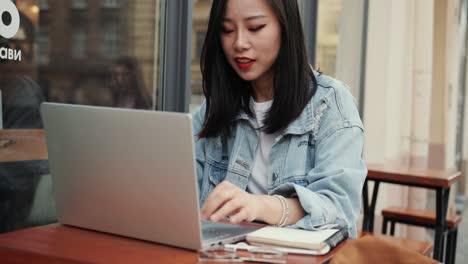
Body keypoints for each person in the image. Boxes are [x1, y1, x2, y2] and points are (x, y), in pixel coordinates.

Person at [192, 0, 367, 238]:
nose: (239, 43)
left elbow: (339, 210)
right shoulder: (214, 109)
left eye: (255, 28)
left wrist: (261, 206)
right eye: (227, 30)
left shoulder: (330, 104)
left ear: (285, 27)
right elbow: (183, 194)